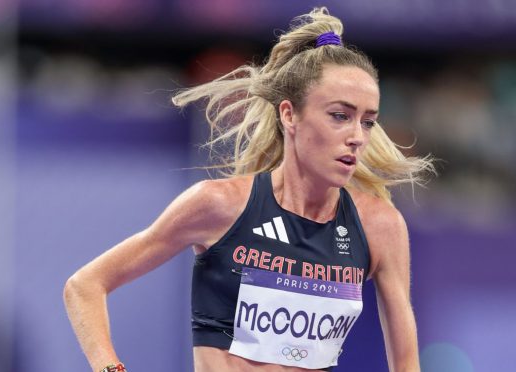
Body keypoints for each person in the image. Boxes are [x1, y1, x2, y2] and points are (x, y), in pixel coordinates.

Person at [64, 7, 434, 372]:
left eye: (368, 121)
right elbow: (85, 286)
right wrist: (110, 369)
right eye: (340, 115)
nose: (357, 137)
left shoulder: (379, 227)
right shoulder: (219, 205)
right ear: (289, 114)